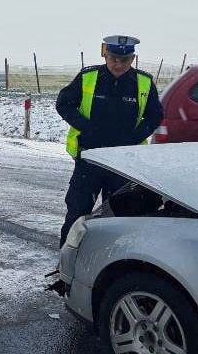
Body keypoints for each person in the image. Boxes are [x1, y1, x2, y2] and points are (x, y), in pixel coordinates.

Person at [56, 35, 163, 246]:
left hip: (123, 163)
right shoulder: (88, 76)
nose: (118, 64)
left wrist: (134, 137)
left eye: (125, 60)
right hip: (90, 158)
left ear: (133, 59)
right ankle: (66, 262)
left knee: (118, 217)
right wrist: (86, 127)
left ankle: (108, 265)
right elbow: (64, 103)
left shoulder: (143, 82)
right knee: (77, 213)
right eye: (114, 58)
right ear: (106, 54)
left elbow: (155, 115)